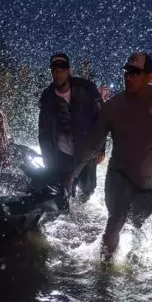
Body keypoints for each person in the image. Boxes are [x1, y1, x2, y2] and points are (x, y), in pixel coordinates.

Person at [65, 52, 152, 256]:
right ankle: (103, 276)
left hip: (151, 186)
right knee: (114, 223)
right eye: (126, 72)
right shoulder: (113, 107)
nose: (128, 77)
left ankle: (131, 258)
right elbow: (93, 146)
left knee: (134, 223)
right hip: (118, 176)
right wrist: (72, 175)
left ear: (150, 76)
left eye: (135, 73)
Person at [38, 53, 105, 202]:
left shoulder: (87, 89)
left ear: (68, 70)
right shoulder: (47, 97)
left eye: (61, 70)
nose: (57, 74)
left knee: (87, 189)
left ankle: (83, 201)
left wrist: (101, 148)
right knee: (64, 190)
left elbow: (102, 118)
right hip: (62, 153)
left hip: (85, 150)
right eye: (54, 70)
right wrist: (47, 159)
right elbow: (43, 132)